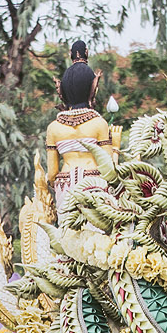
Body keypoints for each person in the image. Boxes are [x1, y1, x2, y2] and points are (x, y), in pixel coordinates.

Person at [45, 40, 122, 213]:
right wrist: (115, 146)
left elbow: (51, 175)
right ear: (92, 89)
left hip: (65, 187)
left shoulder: (54, 128)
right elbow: (110, 170)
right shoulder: (98, 124)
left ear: (62, 92)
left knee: (66, 235)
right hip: (94, 186)